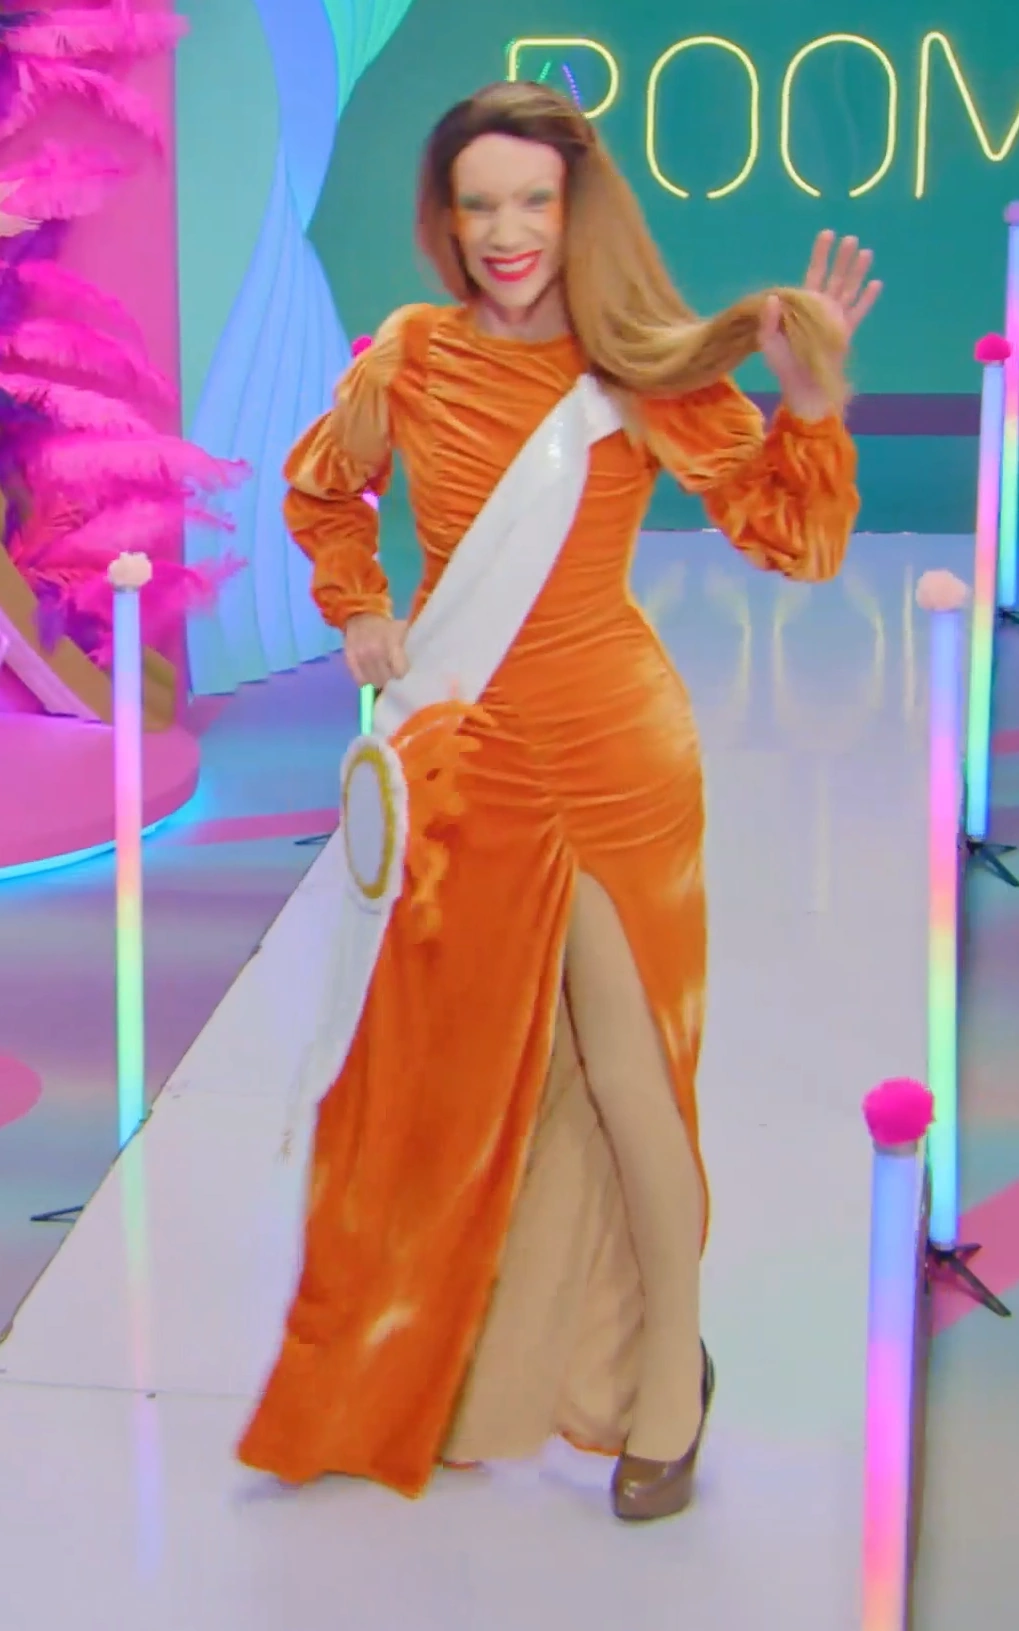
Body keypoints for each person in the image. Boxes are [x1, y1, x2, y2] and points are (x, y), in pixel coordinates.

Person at [237, 80, 877, 1522]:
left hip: (613, 766)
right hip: (466, 764)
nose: (507, 230)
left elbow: (794, 541)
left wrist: (811, 407)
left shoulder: (640, 370)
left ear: (578, 209)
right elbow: (323, 492)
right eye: (480, 204)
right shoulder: (413, 354)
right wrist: (359, 606)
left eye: (533, 199)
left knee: (629, 1080)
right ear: (445, 220)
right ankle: (458, 1364)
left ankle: (666, 1382)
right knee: (460, 1086)